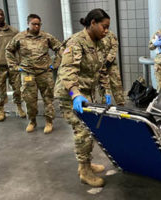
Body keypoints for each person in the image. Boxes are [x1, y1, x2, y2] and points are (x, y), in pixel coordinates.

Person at [54, 8, 111, 187]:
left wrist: (106, 91)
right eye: (104, 26)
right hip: (69, 94)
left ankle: (86, 163)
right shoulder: (76, 42)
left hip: (85, 92)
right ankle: (84, 171)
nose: (106, 31)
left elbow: (101, 70)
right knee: (84, 130)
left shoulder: (98, 44)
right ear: (92, 23)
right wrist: (75, 95)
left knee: (89, 129)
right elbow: (67, 72)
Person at [5, 14, 62, 134]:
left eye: (39, 24)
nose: (37, 26)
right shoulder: (20, 37)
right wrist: (15, 66)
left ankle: (49, 121)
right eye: (34, 24)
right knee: (29, 99)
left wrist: (55, 64)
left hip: (44, 73)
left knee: (48, 98)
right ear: (28, 24)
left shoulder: (46, 36)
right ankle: (32, 121)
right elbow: (9, 50)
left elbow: (60, 48)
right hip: (28, 73)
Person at [99, 30, 125, 106]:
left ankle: (121, 105)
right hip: (99, 65)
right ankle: (105, 105)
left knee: (116, 84)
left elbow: (114, 46)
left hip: (111, 65)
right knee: (103, 86)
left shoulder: (110, 34)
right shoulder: (94, 35)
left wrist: (108, 59)